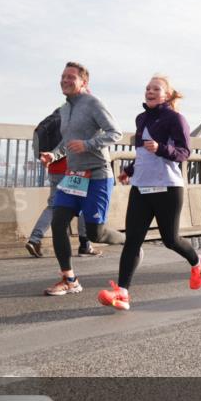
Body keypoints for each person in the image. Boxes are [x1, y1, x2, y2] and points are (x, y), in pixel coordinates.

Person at [98, 75, 201, 310]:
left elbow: (184, 152)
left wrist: (161, 148)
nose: (150, 91)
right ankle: (122, 293)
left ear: (166, 95)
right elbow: (143, 156)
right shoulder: (141, 119)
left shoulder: (176, 119)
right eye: (147, 88)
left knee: (170, 239)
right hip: (141, 187)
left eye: (156, 88)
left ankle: (197, 261)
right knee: (133, 241)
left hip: (167, 186)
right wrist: (129, 170)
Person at [39, 62, 126, 296]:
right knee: (58, 223)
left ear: (83, 82)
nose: (65, 80)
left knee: (96, 234)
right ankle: (69, 279)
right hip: (74, 177)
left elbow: (115, 132)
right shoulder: (64, 109)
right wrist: (54, 154)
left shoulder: (93, 103)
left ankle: (130, 242)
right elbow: (67, 141)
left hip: (97, 176)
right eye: (63, 76)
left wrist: (88, 144)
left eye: (71, 77)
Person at [26, 107, 99, 258]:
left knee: (53, 205)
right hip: (74, 167)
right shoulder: (79, 118)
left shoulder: (55, 116)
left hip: (53, 167)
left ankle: (35, 239)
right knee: (85, 203)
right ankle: (84, 245)